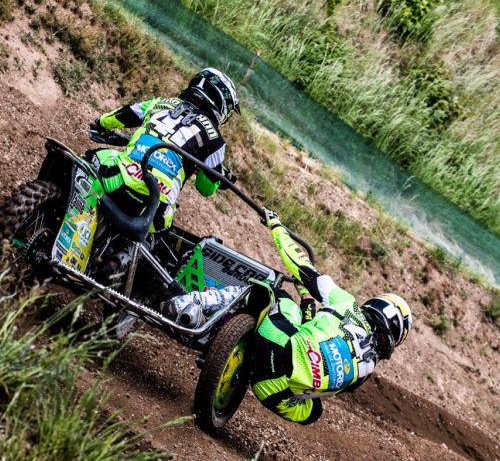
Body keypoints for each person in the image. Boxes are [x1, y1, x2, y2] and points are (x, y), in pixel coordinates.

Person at [165, 208, 412, 424]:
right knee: (314, 411)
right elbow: (316, 348)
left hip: (275, 343)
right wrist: (307, 302)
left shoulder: (347, 303)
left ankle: (192, 302)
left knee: (272, 292)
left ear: (377, 305)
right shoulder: (365, 372)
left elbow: (301, 265)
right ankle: (242, 362)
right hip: (269, 389)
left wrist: (276, 226)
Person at [87, 67, 240, 232]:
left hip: (116, 180)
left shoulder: (160, 103)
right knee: (167, 221)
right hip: (156, 210)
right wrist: (215, 180)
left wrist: (101, 123)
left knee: (90, 158)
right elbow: (205, 188)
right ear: (222, 106)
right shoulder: (216, 142)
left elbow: (123, 115)